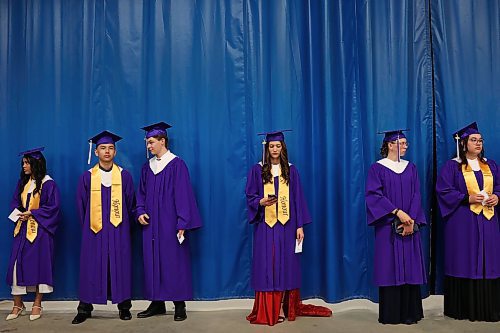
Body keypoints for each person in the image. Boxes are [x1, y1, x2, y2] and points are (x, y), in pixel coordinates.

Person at [245, 130, 332, 326]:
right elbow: (250, 197)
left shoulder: (291, 170)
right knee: (268, 264)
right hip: (265, 225)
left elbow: (298, 200)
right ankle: (269, 310)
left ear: (283, 148)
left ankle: (284, 307)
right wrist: (260, 202)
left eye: (278, 146)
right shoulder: (257, 170)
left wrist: (300, 226)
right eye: (271, 146)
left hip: (287, 225)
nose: (275, 149)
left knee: (284, 264)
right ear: (266, 148)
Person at [136, 122, 202, 321]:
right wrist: (139, 211)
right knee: (152, 261)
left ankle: (179, 304)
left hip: (170, 222)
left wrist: (182, 222)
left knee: (174, 261)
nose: (148, 146)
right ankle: (157, 303)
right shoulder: (147, 167)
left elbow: (183, 195)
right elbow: (141, 193)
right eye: (148, 143)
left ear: (162, 141)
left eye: (151, 142)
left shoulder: (176, 164)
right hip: (150, 224)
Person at [436, 122, 500, 321]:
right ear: (463, 144)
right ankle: (462, 309)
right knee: (464, 259)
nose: (478, 143)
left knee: (489, 260)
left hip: (488, 220)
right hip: (463, 222)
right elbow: (443, 191)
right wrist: (467, 198)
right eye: (473, 140)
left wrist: (497, 196)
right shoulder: (452, 166)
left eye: (480, 140)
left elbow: (498, 186)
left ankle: (489, 308)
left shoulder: (490, 165)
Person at [72, 131, 136, 324]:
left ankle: (124, 307)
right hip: (93, 231)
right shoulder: (87, 177)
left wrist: (123, 228)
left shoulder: (125, 176)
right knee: (90, 266)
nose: (107, 152)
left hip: (119, 231)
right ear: (97, 152)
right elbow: (81, 206)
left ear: (115, 152)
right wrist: (91, 227)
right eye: (103, 148)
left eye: (110, 148)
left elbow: (131, 203)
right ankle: (84, 308)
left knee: (121, 266)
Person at [365, 129, 427, 324]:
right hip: (388, 225)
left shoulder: (411, 168)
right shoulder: (377, 168)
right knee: (389, 267)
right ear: (390, 145)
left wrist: (412, 220)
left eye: (406, 143)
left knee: (410, 266)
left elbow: (417, 194)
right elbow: (374, 196)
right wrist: (398, 213)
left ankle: (411, 314)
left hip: (410, 225)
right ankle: (391, 314)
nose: (405, 146)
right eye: (401, 143)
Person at [5, 147, 60, 321]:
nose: (24, 166)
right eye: (23, 163)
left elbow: (54, 208)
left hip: (40, 232)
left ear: (36, 164)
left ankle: (37, 304)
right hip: (22, 230)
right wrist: (19, 213)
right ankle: (18, 304)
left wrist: (33, 214)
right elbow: (15, 202)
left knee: (40, 266)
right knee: (16, 266)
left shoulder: (48, 183)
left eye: (27, 163)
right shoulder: (23, 183)